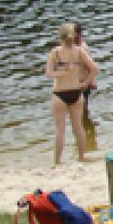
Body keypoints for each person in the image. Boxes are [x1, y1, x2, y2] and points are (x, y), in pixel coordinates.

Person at [44, 22, 98, 165]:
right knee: (78, 127)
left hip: (59, 93)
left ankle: (57, 161)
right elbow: (94, 69)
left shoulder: (55, 52)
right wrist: (85, 83)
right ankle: (82, 157)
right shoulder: (79, 51)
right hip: (76, 91)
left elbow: (48, 74)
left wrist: (62, 70)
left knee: (60, 130)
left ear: (60, 37)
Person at [73, 21, 99, 151]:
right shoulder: (71, 49)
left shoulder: (83, 48)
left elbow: (91, 67)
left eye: (77, 36)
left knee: (82, 112)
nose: (76, 39)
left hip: (84, 85)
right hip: (75, 85)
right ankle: (83, 142)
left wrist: (90, 81)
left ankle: (87, 142)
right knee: (80, 114)